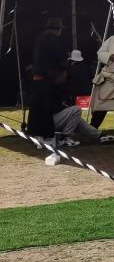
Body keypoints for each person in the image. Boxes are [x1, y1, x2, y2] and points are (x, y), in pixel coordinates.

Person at [27, 17, 67, 164]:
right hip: (49, 80)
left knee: (36, 109)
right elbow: (61, 61)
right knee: (47, 110)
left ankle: (36, 137)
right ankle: (48, 138)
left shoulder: (39, 40)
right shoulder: (55, 41)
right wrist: (62, 71)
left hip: (37, 79)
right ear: (58, 29)